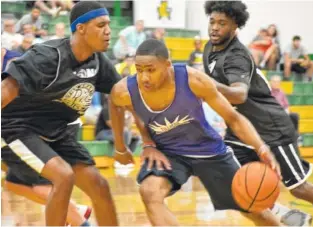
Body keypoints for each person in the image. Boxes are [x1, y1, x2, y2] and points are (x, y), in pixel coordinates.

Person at [109, 39, 282, 226]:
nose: (144, 77)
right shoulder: (125, 90)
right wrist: (126, 146)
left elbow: (233, 118)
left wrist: (261, 147)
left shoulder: (194, 80)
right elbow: (116, 104)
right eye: (139, 69)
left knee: (255, 210)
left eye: (150, 70)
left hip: (209, 150)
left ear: (167, 65)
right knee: (149, 191)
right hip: (169, 152)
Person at [202, 1, 313, 225]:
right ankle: (289, 216)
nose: (215, 27)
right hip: (240, 129)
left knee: (300, 188)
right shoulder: (211, 48)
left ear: (235, 26)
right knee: (233, 186)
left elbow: (239, 95)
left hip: (270, 128)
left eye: (222, 23)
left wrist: (204, 85)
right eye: (212, 21)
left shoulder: (236, 57)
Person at [1, 2, 130, 226]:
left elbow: (117, 99)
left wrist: (120, 147)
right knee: (63, 176)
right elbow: (6, 90)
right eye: (101, 25)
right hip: (16, 127)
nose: (109, 31)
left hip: (57, 132)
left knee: (99, 186)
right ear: (80, 28)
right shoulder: (48, 56)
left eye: (109, 24)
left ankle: (79, 221)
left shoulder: (99, 62)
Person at [1, 48, 92, 226]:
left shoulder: (18, 70)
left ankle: (76, 216)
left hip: (43, 131)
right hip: (36, 130)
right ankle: (73, 211)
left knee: (41, 185)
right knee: (14, 183)